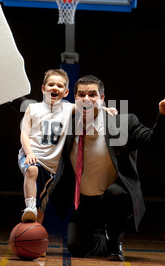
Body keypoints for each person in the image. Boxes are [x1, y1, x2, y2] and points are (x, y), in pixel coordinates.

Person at [50, 75, 165, 261]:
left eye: (92, 95)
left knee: (116, 195)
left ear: (102, 99)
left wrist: (164, 117)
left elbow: (154, 142)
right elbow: (33, 112)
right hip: (85, 200)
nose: (86, 99)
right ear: (75, 99)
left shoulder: (122, 123)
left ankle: (115, 240)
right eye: (82, 95)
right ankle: (104, 237)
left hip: (113, 196)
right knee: (76, 248)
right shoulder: (66, 124)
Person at [18, 69, 118, 224]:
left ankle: (34, 238)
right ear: (43, 89)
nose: (54, 88)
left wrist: (106, 109)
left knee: (41, 207)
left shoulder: (68, 108)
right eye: (51, 84)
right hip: (32, 156)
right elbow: (24, 134)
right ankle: (28, 206)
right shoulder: (33, 108)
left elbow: (88, 105)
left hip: (51, 167)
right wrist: (29, 152)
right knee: (32, 170)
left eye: (59, 86)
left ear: (65, 93)